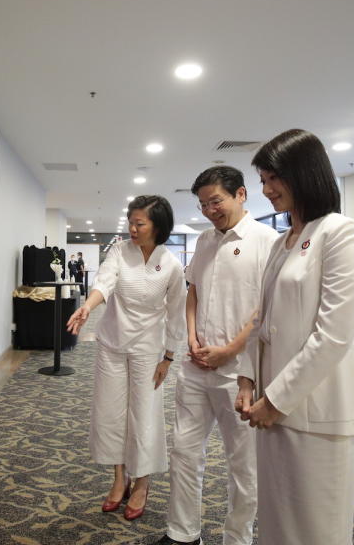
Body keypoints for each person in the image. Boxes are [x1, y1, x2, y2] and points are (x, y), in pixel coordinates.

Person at [241, 129, 354, 544]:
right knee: (278, 523)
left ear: (304, 173)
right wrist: (247, 379)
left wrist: (278, 399)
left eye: (273, 178)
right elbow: (262, 319)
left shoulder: (340, 232)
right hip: (271, 404)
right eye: (262, 180)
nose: (267, 189)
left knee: (317, 529)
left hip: (315, 408)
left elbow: (334, 333)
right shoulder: (283, 242)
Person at [157, 167, 278, 545]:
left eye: (216, 201)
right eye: (204, 204)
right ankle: (182, 533)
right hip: (196, 368)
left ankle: (236, 539)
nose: (210, 210)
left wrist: (230, 349)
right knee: (183, 452)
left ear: (241, 194)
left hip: (239, 372)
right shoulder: (205, 241)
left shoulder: (267, 242)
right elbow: (193, 292)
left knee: (243, 465)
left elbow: (265, 309)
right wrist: (191, 337)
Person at [66, 195, 186, 521]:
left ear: (157, 226)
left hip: (149, 350)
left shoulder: (171, 265)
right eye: (131, 222)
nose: (132, 228)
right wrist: (88, 306)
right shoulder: (119, 250)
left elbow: (177, 315)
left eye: (139, 223)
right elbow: (105, 280)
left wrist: (169, 358)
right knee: (111, 414)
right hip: (113, 345)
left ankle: (143, 481)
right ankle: (120, 478)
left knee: (144, 415)